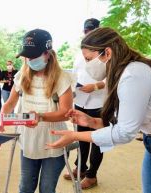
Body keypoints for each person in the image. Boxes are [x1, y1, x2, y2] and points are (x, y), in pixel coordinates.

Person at [47, 27, 151, 193]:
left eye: (89, 59)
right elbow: (123, 121)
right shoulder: (128, 72)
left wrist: (74, 136)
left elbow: (124, 133)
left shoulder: (132, 75)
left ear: (107, 53)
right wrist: (92, 121)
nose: (87, 65)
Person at [0, 29, 73, 193]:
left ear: (47, 53)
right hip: (29, 141)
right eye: (27, 56)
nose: (29, 60)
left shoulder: (62, 78)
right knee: (25, 187)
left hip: (53, 142)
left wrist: (40, 117)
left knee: (46, 188)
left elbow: (65, 112)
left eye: (34, 56)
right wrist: (2, 117)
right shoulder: (21, 76)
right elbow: (10, 103)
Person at [63, 18, 105, 189]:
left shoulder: (106, 53)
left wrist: (95, 85)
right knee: (81, 139)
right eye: (86, 31)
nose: (88, 34)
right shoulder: (79, 53)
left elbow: (112, 78)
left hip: (100, 103)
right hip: (81, 102)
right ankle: (80, 168)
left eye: (92, 31)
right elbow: (75, 74)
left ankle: (92, 175)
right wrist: (73, 89)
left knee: (97, 141)